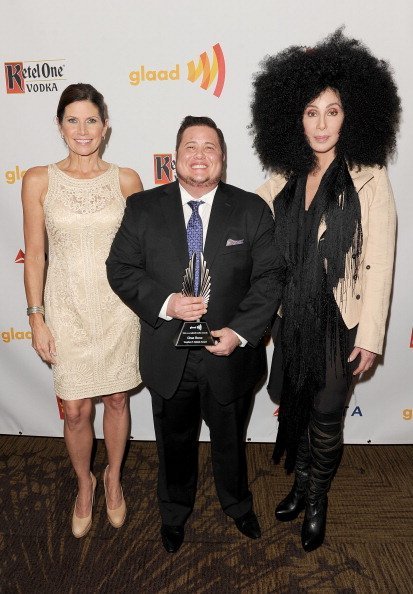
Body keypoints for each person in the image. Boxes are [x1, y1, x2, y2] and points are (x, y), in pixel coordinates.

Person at [251, 29, 401, 552]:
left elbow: (381, 262)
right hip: (292, 319)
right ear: (294, 117)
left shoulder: (369, 178)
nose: (320, 124)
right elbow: (250, 234)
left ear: (350, 115)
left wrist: (373, 334)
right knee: (294, 401)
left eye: (332, 111)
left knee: (327, 414)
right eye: (310, 112)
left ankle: (318, 498)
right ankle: (299, 481)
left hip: (341, 320)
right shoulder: (280, 180)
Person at [107, 115, 281, 553]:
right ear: (174, 157)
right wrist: (165, 304)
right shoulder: (143, 208)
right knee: (173, 442)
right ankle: (174, 512)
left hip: (228, 353)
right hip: (169, 353)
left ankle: (238, 504)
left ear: (222, 157)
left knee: (230, 440)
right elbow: (120, 268)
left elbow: (271, 276)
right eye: (190, 146)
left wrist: (241, 333)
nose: (199, 155)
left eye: (209, 147)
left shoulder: (251, 208)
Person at [22, 83, 143, 538]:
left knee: (115, 398)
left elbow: (142, 252)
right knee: (74, 409)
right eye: (72, 119)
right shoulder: (39, 179)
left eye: (91, 119)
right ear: (59, 126)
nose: (82, 129)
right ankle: (84, 483)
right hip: (66, 308)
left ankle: (113, 478)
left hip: (118, 309)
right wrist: (36, 317)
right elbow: (35, 255)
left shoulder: (127, 180)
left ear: (105, 125)